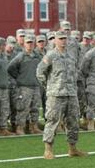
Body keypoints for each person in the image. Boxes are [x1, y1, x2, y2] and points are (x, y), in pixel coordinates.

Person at [36, 31, 87, 160]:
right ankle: (48, 149)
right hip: (56, 94)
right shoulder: (51, 55)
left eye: (65, 38)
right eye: (61, 39)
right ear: (55, 40)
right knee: (52, 121)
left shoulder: (71, 56)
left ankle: (72, 148)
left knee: (73, 121)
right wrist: (49, 86)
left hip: (71, 93)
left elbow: (75, 72)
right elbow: (40, 72)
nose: (63, 41)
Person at [8, 34, 43, 135]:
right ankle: (20, 128)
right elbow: (10, 68)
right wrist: (19, 78)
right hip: (24, 87)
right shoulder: (21, 56)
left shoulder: (37, 56)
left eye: (32, 42)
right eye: (28, 42)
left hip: (36, 86)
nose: (30, 45)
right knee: (23, 108)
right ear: (24, 44)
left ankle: (34, 127)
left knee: (35, 108)